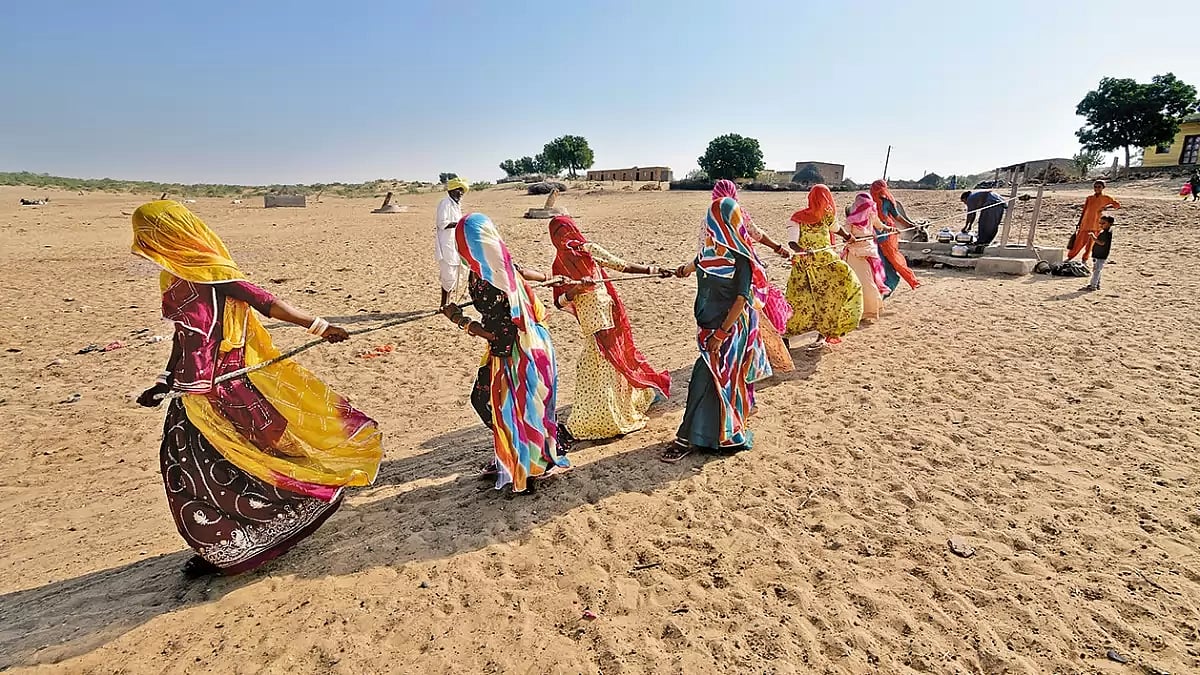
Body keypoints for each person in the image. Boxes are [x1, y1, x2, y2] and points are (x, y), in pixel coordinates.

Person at [130, 201, 383, 577]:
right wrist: (164, 381)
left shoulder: (214, 272)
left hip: (229, 389)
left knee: (251, 463)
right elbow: (183, 338)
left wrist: (319, 326)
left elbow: (267, 303)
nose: (145, 244)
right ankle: (223, 544)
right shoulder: (173, 279)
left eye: (149, 236)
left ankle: (275, 525)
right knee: (187, 471)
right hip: (191, 393)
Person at [441, 213, 570, 492]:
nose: (459, 248)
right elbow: (522, 271)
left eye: (462, 242)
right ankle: (515, 452)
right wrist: (550, 277)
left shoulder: (495, 277)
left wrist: (460, 321)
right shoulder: (484, 268)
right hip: (505, 348)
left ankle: (535, 462)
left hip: (519, 349)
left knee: (512, 406)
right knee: (494, 403)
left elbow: (503, 332)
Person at [664, 197, 771, 462]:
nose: (709, 224)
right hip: (707, 326)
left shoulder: (740, 258)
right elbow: (692, 266)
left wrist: (722, 334)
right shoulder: (708, 251)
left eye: (714, 218)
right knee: (716, 381)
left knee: (706, 378)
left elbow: (741, 299)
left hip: (730, 329)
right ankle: (715, 433)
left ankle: (687, 438)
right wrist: (679, 270)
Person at [548, 215, 673, 442]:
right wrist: (575, 290)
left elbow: (622, 265)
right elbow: (559, 302)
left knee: (604, 359)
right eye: (560, 236)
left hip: (604, 313)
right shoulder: (558, 264)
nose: (565, 240)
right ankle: (607, 410)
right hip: (589, 319)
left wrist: (653, 270)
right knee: (599, 362)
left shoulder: (588, 250)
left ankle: (611, 413)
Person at [681, 180, 794, 372]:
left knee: (740, 320)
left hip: (716, 277)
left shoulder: (711, 217)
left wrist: (688, 269)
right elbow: (757, 234)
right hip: (741, 274)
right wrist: (778, 248)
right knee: (749, 317)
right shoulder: (736, 214)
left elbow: (703, 253)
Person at [784, 185, 864, 349]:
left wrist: (849, 237)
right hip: (806, 266)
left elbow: (837, 229)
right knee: (799, 301)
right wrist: (803, 251)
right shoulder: (798, 218)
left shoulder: (826, 216)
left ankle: (824, 333)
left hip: (827, 263)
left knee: (830, 298)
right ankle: (785, 336)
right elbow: (792, 242)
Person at [842, 194, 889, 322]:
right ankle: (854, 312)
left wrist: (889, 228)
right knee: (855, 283)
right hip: (854, 254)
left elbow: (879, 225)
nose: (866, 209)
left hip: (868, 253)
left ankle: (869, 311)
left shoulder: (870, 215)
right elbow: (845, 235)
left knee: (868, 283)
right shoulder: (851, 221)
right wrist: (849, 238)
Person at [869, 180, 922, 292]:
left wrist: (911, 225)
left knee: (884, 259)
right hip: (881, 234)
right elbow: (897, 217)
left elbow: (896, 217)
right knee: (889, 259)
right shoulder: (880, 202)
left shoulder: (870, 202)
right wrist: (910, 225)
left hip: (877, 235)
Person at [434, 178, 469, 307]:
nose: (461, 193)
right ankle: (444, 304)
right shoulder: (445, 203)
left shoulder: (456, 205)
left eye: (462, 191)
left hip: (455, 243)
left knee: (456, 273)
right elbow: (442, 223)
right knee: (448, 275)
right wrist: (461, 223)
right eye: (458, 190)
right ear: (451, 191)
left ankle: (450, 304)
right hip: (446, 244)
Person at [1066, 180, 1120, 263]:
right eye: (1095, 187)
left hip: (1096, 225)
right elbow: (1084, 211)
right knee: (1078, 243)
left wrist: (1106, 208)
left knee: (1090, 245)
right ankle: (1070, 257)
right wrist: (1079, 222)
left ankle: (1084, 259)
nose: (1097, 188)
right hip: (1085, 224)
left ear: (1103, 188)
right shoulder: (1090, 198)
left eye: (1099, 187)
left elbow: (1117, 205)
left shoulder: (1106, 198)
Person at [1083, 215, 1115, 291]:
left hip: (1100, 255)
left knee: (1096, 270)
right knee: (1097, 270)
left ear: (1110, 223)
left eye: (1103, 223)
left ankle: (1093, 286)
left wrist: (1093, 237)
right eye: (1100, 223)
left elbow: (1102, 243)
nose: (1101, 225)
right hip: (1099, 254)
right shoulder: (1106, 232)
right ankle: (1096, 284)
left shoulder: (1106, 233)